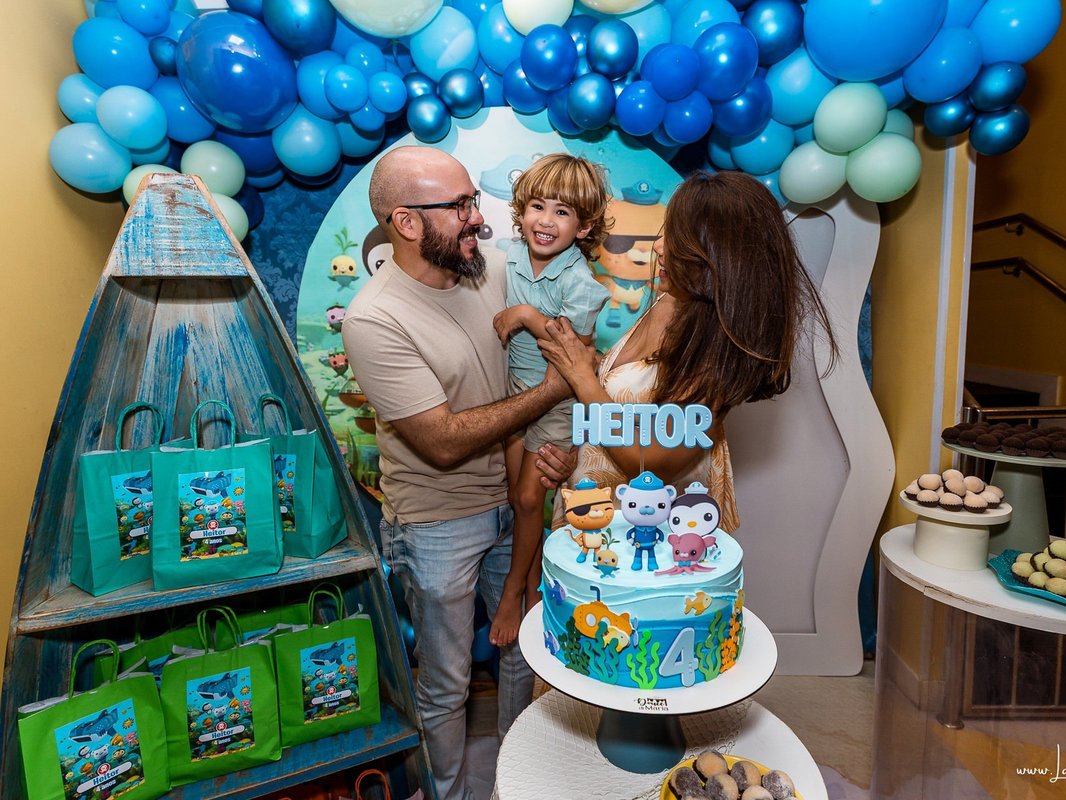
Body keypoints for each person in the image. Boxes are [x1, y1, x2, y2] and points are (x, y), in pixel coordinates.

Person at [341, 146, 578, 800]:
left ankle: (515, 785)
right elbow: (443, 442)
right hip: (436, 523)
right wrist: (555, 390)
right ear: (407, 224)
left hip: (518, 500)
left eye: (476, 200)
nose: (479, 219)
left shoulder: (490, 271)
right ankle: (449, 794)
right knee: (445, 683)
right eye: (461, 206)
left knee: (524, 656)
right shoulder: (374, 318)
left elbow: (574, 309)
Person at [538, 170, 836, 528]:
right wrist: (579, 460)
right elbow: (630, 410)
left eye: (678, 237)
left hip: (656, 538)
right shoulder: (670, 298)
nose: (660, 246)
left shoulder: (717, 347)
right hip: (596, 515)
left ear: (718, 254)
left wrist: (581, 376)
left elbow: (651, 461)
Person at [489, 154, 612, 647]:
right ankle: (534, 582)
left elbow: (571, 351)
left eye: (563, 212)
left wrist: (524, 312)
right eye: (537, 206)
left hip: (555, 399)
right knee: (514, 498)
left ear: (583, 228)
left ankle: (516, 590)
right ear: (520, 213)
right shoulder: (508, 258)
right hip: (514, 392)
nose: (546, 220)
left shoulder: (579, 283)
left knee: (526, 497)